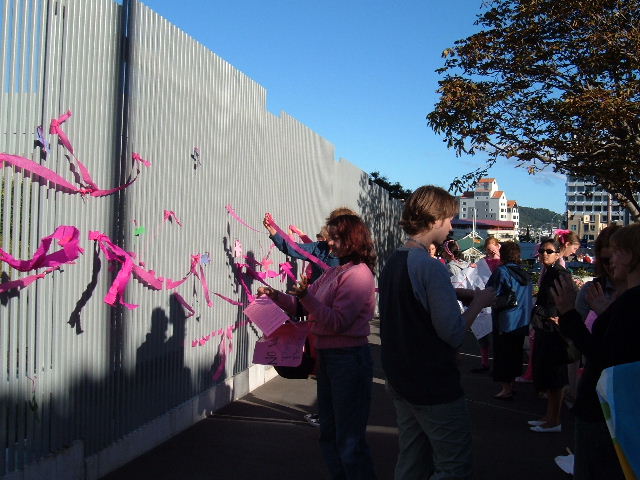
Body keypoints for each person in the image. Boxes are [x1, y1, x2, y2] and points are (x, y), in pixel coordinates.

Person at [378, 185, 495, 480]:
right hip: (432, 383)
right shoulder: (430, 267)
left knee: (412, 460)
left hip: (401, 377)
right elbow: (453, 333)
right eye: (448, 219)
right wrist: (479, 301)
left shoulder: (393, 262)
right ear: (433, 219)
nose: (450, 226)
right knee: (454, 465)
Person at [258, 214, 377, 479]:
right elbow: (302, 306)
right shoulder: (336, 272)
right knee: (330, 435)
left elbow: (337, 322)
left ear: (352, 240)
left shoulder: (358, 275)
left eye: (335, 237)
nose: (329, 243)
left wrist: (305, 297)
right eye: (329, 237)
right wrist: (277, 295)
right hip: (329, 358)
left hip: (348, 360)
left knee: (349, 442)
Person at [551, 223, 640, 479]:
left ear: (631, 255)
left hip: (605, 410)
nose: (610, 260)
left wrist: (568, 314)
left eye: (616, 252)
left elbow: (602, 356)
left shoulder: (630, 303)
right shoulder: (626, 302)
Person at [529, 238, 575, 433]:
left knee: (555, 378)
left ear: (558, 254)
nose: (544, 254)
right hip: (545, 328)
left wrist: (561, 318)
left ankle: (554, 421)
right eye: (542, 251)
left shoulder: (560, 273)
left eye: (549, 251)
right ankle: (548, 417)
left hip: (555, 331)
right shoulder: (548, 272)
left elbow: (569, 298)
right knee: (548, 376)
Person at [486, 241, 532, 400]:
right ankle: (511, 384)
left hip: (505, 320)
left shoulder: (502, 272)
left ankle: (506, 389)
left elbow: (491, 292)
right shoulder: (525, 274)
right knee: (515, 354)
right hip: (522, 320)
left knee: (503, 355)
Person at [262, 207, 356, 282]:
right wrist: (273, 231)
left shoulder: (352, 260)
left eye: (336, 236)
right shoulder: (319, 247)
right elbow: (293, 249)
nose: (330, 241)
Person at [470, 236, 501, 373]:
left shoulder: (503, 262)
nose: (490, 252)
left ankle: (496, 365)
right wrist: (472, 267)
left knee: (496, 335)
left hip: (497, 301)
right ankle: (484, 362)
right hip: (485, 300)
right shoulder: (483, 262)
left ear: (498, 246)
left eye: (492, 249)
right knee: (482, 333)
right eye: (488, 250)